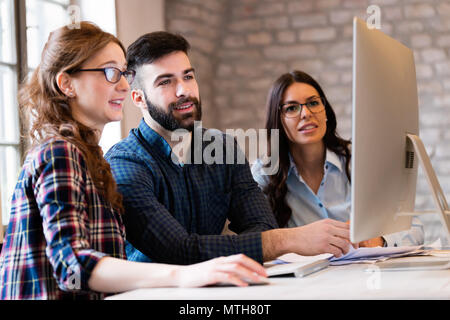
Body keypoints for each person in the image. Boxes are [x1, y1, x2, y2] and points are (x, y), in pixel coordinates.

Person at [0, 22, 268, 300]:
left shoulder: (89, 157)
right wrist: (185, 274)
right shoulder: (59, 152)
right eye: (110, 72)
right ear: (67, 84)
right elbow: (72, 266)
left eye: (123, 73)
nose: (125, 85)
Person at [105, 31, 355, 266]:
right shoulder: (125, 163)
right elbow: (178, 251)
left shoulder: (222, 148)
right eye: (165, 82)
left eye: (188, 77)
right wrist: (287, 240)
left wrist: (264, 242)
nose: (184, 90)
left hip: (223, 289)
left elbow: (261, 225)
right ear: (138, 98)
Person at [251, 70, 424, 247]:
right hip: (308, 274)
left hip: (366, 272)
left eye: (313, 103)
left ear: (325, 111)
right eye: (292, 108)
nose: (306, 113)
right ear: (278, 121)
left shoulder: (361, 160)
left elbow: (413, 225)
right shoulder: (264, 173)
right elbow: (254, 239)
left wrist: (380, 240)